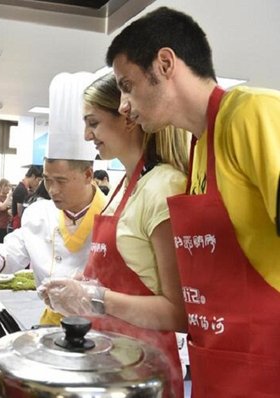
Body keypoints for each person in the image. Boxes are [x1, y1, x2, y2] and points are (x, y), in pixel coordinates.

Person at [106, 7, 280, 397]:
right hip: (218, 370)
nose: (122, 104)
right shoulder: (200, 151)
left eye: (127, 85)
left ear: (165, 63)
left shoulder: (251, 113)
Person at [40, 73, 189, 398]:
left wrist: (94, 298)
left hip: (145, 371)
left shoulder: (163, 185)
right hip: (110, 361)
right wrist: (82, 286)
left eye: (93, 122)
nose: (87, 134)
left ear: (128, 118)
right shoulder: (123, 186)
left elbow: (179, 312)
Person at [0, 72, 106, 326]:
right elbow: (10, 253)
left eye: (61, 181)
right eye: (47, 179)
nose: (52, 190)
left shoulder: (114, 215)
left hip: (100, 332)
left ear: (88, 175)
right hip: (50, 325)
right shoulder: (39, 213)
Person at [10, 165, 42, 230]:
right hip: (19, 225)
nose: (38, 183)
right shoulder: (21, 189)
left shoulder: (24, 188)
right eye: (38, 180)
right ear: (33, 176)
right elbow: (20, 214)